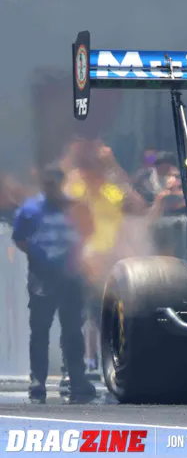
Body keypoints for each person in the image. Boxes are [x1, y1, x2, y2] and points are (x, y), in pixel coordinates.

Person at [12, 164, 96, 403]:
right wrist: (38, 255)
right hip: (42, 278)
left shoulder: (74, 207)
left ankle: (76, 377)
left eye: (55, 183)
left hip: (70, 277)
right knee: (40, 330)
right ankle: (37, 380)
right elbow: (19, 238)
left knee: (73, 330)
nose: (51, 187)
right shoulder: (30, 209)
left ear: (61, 183)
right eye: (47, 183)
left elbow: (88, 229)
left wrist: (75, 255)